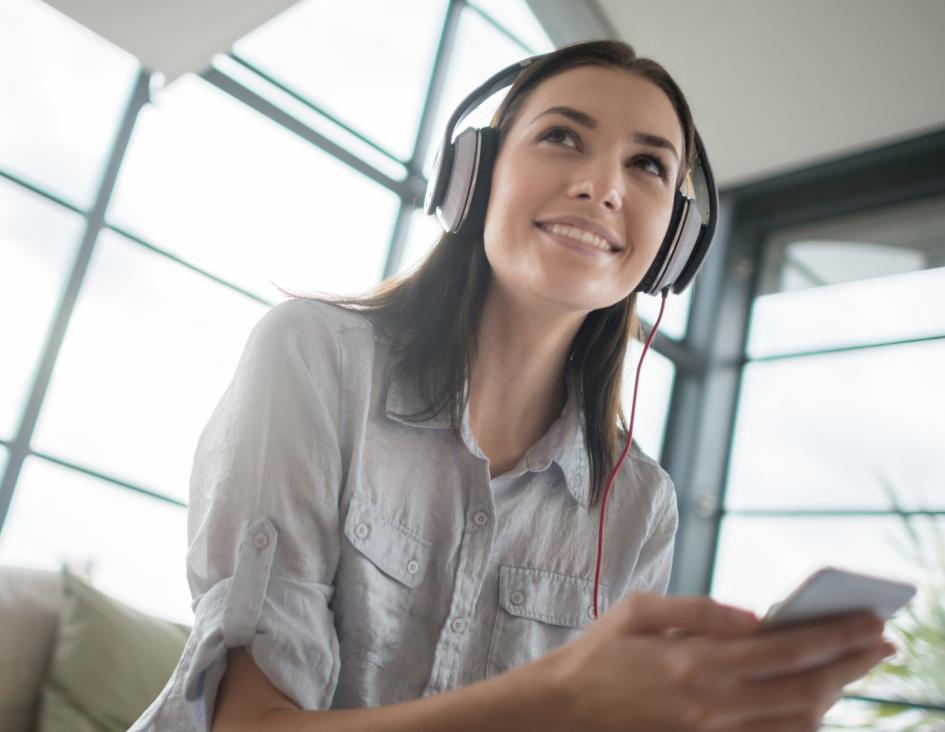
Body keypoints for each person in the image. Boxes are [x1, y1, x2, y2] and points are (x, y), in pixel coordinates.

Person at [130, 40, 894, 732]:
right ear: (474, 175)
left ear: (674, 246)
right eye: (562, 137)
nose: (601, 186)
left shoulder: (637, 506)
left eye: (647, 165)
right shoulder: (312, 356)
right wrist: (557, 696)